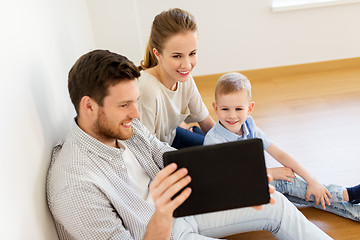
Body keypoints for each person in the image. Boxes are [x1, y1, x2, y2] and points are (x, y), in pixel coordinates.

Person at [46, 49, 333, 240]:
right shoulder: (75, 184)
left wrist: (238, 185)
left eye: (135, 101)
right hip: (163, 230)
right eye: (124, 105)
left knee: (278, 205)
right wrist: (162, 214)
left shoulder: (124, 128)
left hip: (183, 208)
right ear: (88, 106)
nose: (135, 113)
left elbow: (168, 156)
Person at [204, 72, 360, 222]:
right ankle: (347, 193)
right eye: (225, 109)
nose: (232, 115)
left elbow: (281, 155)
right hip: (233, 195)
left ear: (249, 108)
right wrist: (270, 173)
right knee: (284, 182)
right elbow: (228, 178)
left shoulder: (249, 126)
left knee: (306, 195)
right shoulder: (213, 140)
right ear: (216, 108)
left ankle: (356, 213)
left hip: (255, 184)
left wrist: (313, 181)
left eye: (238, 109)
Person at [137, 8, 215, 149]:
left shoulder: (185, 80)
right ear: (158, 54)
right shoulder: (148, 90)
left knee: (218, 150)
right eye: (177, 56)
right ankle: (189, 129)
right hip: (154, 151)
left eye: (192, 53)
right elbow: (145, 150)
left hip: (171, 136)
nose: (186, 65)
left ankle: (188, 129)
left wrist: (232, 146)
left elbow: (206, 122)